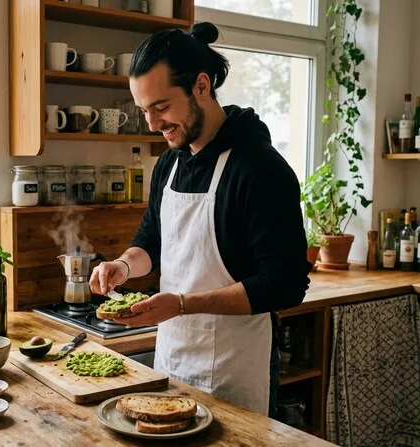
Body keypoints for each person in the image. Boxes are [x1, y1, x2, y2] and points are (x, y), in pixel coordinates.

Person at [89, 22, 311, 417]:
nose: (152, 124)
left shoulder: (260, 169)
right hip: (172, 360)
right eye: (144, 111)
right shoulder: (169, 163)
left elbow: (285, 285)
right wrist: (123, 266)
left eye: (161, 107)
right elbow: (151, 240)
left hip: (235, 371)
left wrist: (181, 304)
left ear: (202, 86)